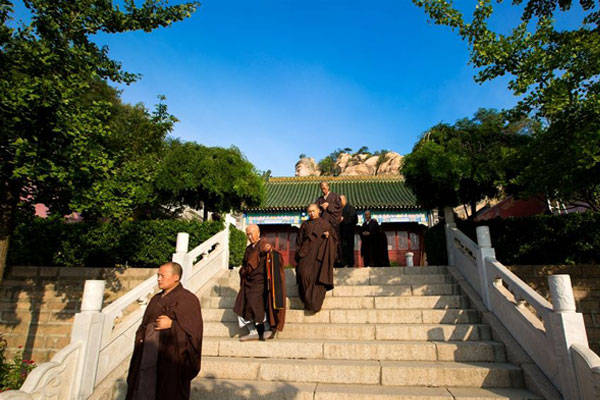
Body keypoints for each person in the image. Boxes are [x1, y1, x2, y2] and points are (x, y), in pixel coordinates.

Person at [126, 262, 203, 400]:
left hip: (171, 358)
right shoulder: (155, 299)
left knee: (167, 392)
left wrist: (173, 325)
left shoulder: (188, 299)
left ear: (176, 277)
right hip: (148, 353)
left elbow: (195, 332)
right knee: (143, 388)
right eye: (158, 276)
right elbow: (144, 325)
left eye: (163, 276)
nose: (159, 279)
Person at [233, 225, 285, 341]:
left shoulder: (263, 245)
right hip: (248, 281)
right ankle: (252, 330)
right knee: (240, 305)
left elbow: (276, 256)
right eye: (247, 234)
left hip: (260, 281)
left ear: (258, 233)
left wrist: (270, 250)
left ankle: (266, 328)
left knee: (254, 303)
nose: (249, 237)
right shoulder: (248, 249)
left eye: (251, 233)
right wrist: (243, 271)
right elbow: (245, 264)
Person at [295, 204, 336, 312]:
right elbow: (299, 241)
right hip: (306, 255)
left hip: (320, 258)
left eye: (313, 211)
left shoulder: (326, 224)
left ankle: (315, 303)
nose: (311, 213)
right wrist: (299, 253)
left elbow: (335, 240)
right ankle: (307, 300)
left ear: (319, 211)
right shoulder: (305, 225)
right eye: (309, 212)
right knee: (303, 274)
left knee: (318, 279)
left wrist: (329, 237)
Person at [339, 195, 358, 267]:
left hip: (349, 233)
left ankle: (350, 263)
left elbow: (354, 220)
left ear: (344, 200)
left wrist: (344, 219)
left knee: (349, 248)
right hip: (341, 233)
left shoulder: (351, 209)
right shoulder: (340, 209)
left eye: (340, 200)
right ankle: (343, 262)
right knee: (342, 248)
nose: (339, 202)